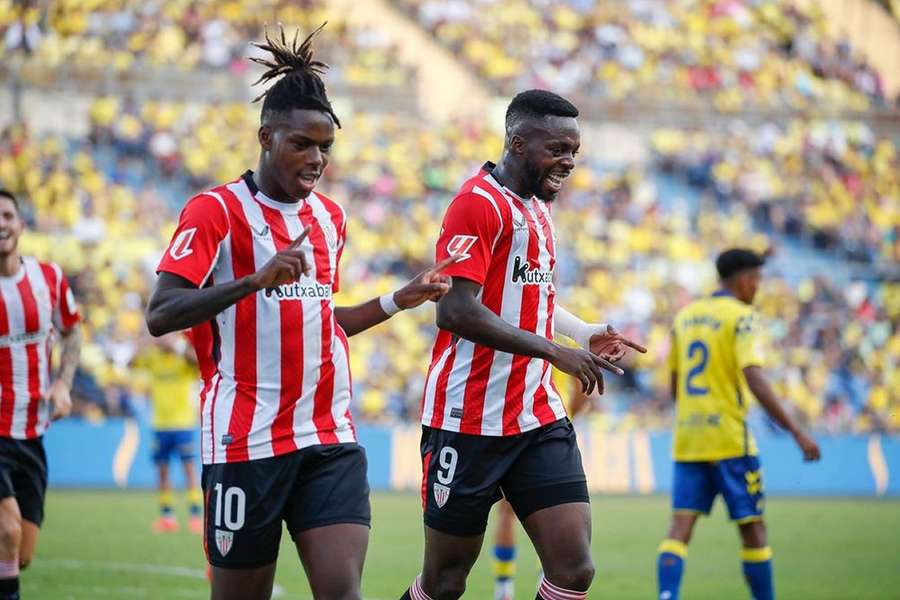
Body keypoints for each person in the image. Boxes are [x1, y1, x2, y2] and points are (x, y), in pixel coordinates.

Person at [145, 25, 453, 600]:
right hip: (245, 438)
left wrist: (395, 300)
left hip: (327, 435)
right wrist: (252, 281)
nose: (316, 160)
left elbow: (318, 321)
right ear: (266, 137)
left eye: (325, 148)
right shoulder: (214, 212)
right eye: (302, 145)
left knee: (343, 594)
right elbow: (161, 314)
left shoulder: (330, 219)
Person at [401, 89, 646, 600]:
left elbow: (528, 299)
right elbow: (456, 309)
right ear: (517, 142)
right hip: (467, 420)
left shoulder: (537, 209)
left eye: (574, 151)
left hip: (536, 417)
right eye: (557, 149)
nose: (569, 162)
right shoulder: (476, 204)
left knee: (574, 569)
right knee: (445, 582)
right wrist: (554, 351)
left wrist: (582, 333)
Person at [656, 248, 821, 600]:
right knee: (753, 529)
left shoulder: (685, 317)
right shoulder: (741, 317)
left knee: (679, 529)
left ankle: (666, 596)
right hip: (730, 440)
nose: (758, 288)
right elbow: (754, 377)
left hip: (689, 439)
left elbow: (673, 384)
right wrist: (795, 430)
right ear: (745, 280)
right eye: (758, 280)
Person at [0, 189, 82, 600]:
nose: (1, 223)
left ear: (20, 225)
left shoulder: (48, 279)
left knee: (21, 552)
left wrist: (63, 382)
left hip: (31, 432)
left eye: (7, 215)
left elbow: (71, 331)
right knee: (8, 532)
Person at [132, 332, 203, 533]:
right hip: (160, 424)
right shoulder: (153, 357)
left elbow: (198, 364)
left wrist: (177, 347)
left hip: (183, 423)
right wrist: (146, 341)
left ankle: (195, 516)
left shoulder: (183, 357)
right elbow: (130, 363)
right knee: (162, 471)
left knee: (189, 470)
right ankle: (167, 516)